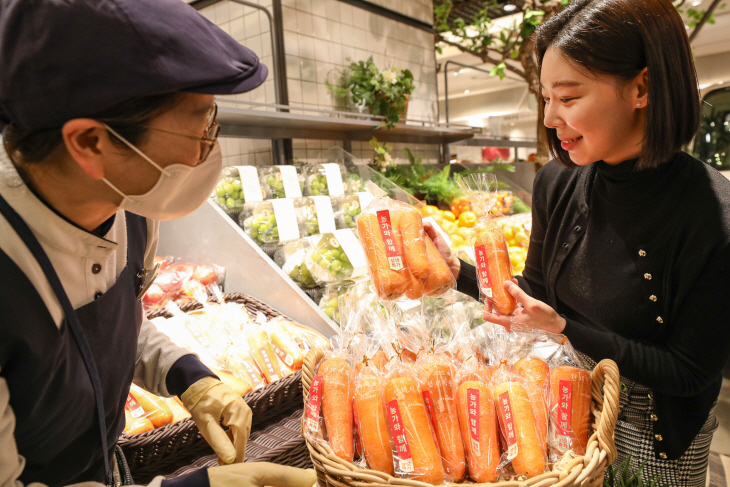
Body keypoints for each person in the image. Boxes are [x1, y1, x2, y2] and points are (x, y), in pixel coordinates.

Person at [0, 1, 316, 487]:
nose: (211, 147)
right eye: (201, 125)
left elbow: (118, 321)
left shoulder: (132, 209)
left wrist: (188, 378)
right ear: (90, 142)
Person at [428, 0, 730, 485]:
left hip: (655, 438)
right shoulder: (558, 181)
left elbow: (689, 372)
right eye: (546, 98)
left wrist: (564, 328)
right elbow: (536, 292)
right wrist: (457, 271)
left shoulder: (711, 212)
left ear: (642, 88)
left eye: (568, 99)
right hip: (565, 408)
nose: (551, 119)